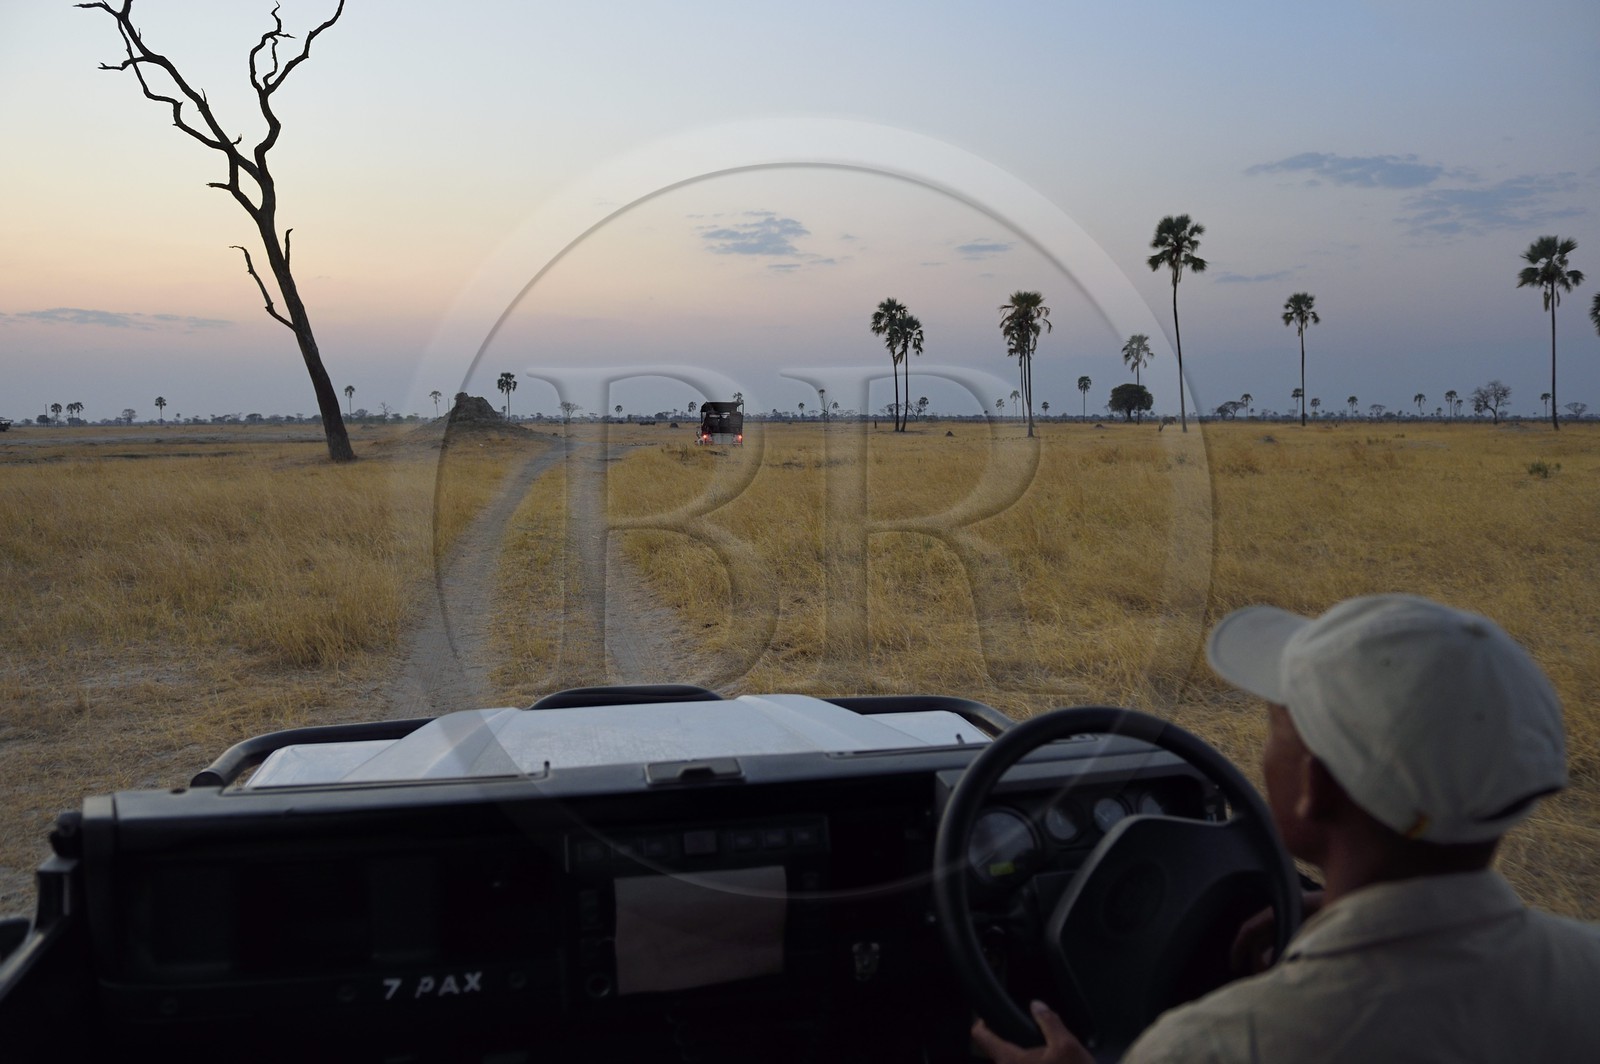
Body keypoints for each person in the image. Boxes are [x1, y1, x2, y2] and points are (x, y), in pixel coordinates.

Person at [972, 593, 1600, 1063]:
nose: (1264, 752)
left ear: (1316, 789)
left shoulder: (1220, 1043)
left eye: (1275, 728)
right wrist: (1365, 909)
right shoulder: (1585, 967)